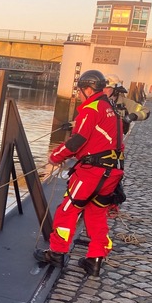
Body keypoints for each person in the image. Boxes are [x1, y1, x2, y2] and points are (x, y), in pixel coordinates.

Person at [34, 69, 125, 278]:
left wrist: (56, 156)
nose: (77, 94)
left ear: (87, 89)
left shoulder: (91, 109)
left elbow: (77, 141)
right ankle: (95, 259)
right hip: (112, 172)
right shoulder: (111, 108)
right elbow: (116, 143)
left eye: (79, 90)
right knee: (96, 213)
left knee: (67, 209)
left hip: (92, 171)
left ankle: (57, 252)